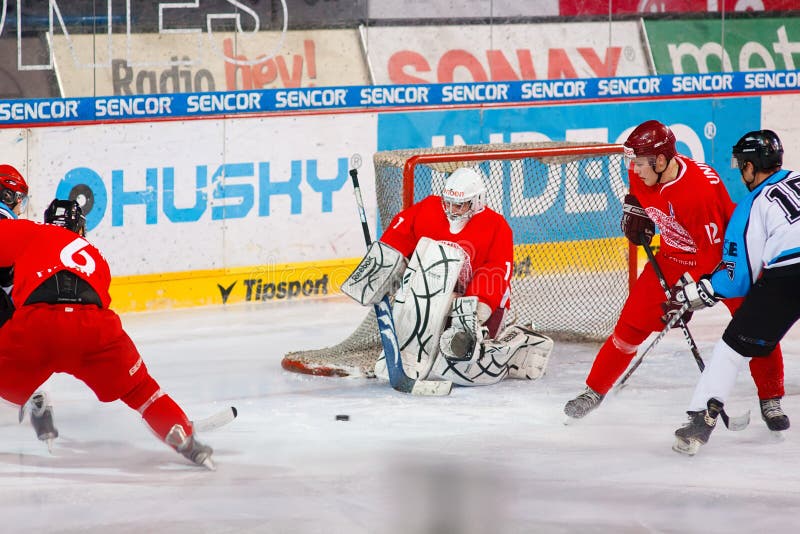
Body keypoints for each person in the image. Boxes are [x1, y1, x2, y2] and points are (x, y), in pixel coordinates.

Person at [564, 120, 785, 427]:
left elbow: (711, 259)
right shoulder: (641, 169)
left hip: (726, 257)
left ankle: (771, 398)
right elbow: (640, 194)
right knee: (630, 325)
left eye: (641, 163)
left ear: (662, 160)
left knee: (757, 326)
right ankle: (593, 391)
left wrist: (688, 298)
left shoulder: (698, 195)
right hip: (672, 257)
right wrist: (635, 208)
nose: (635, 170)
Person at [0, 199, 215, 469]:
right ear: (80, 228)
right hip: (93, 328)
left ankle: (34, 398)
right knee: (141, 390)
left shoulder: (31, 232)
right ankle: (183, 436)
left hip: (36, 326)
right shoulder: (96, 256)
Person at [343, 166, 552, 385]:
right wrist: (384, 262)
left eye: (459, 205)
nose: (451, 210)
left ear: (477, 201)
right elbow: (401, 232)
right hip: (434, 299)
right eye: (448, 202)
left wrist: (472, 309)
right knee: (411, 326)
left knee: (461, 363)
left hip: (472, 304)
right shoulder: (429, 209)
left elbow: (495, 274)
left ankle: (516, 345)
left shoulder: (496, 227)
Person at [669, 130, 800, 455]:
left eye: (743, 165)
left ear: (753, 166)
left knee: (731, 349)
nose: (741, 172)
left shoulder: (752, 204)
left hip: (790, 274)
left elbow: (738, 278)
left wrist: (699, 292)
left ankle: (700, 421)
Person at [0, 164, 28, 326]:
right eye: (20, 200)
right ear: (8, 196)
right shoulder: (9, 225)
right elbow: (7, 280)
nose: (20, 210)